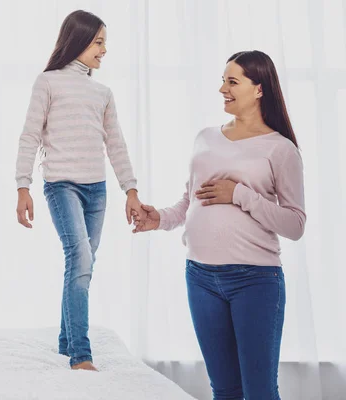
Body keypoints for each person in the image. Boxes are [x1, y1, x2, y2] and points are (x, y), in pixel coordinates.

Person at [133, 50, 305, 399]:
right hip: (200, 278)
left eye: (232, 81)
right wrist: (159, 219)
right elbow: (191, 201)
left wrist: (240, 194)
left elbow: (295, 224)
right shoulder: (205, 137)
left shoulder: (281, 149)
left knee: (258, 391)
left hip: (255, 281)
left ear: (259, 89)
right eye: (222, 80)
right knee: (224, 390)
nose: (222, 88)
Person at [15, 10, 143, 371]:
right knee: (81, 260)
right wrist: (23, 186)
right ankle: (80, 354)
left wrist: (130, 190)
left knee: (81, 265)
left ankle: (63, 341)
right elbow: (29, 135)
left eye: (105, 43)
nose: (104, 50)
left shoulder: (103, 92)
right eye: (99, 42)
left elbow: (116, 144)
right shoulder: (48, 82)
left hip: (97, 191)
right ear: (78, 40)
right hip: (61, 185)